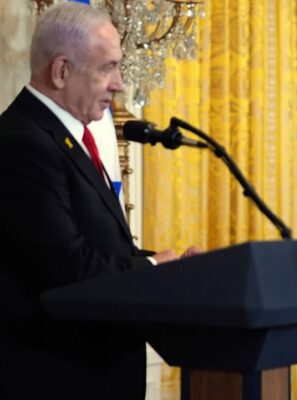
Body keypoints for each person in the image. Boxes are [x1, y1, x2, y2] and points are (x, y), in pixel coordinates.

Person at [0, 3, 200, 399]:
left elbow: (99, 247)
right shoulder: (23, 142)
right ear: (61, 71)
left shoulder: (66, 138)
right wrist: (153, 267)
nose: (120, 84)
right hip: (59, 378)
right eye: (107, 68)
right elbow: (67, 267)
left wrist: (170, 267)